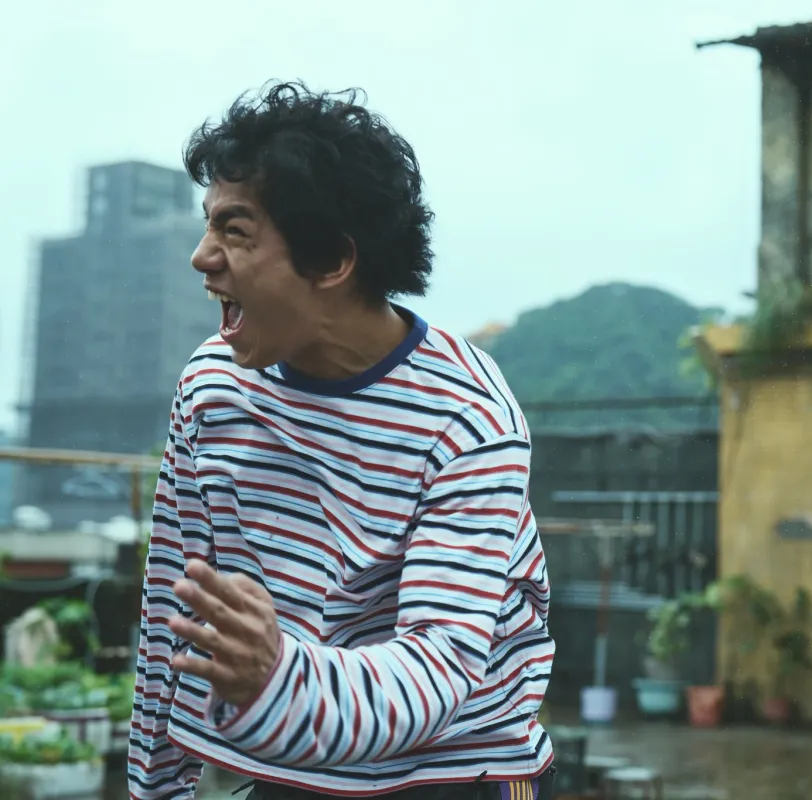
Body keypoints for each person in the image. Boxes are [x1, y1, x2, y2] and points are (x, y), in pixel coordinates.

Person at [127, 82, 557, 800]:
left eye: (236, 231)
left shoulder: (466, 416)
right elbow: (174, 611)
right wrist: (156, 791)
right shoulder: (213, 389)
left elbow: (439, 666)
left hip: (458, 769)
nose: (202, 257)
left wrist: (276, 675)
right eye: (209, 226)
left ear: (331, 260)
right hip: (292, 760)